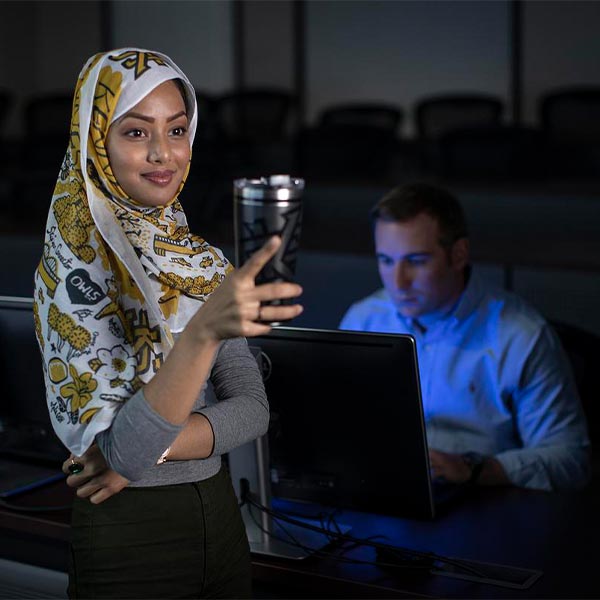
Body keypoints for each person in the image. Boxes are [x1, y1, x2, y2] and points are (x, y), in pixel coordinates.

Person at [33, 48, 302, 599]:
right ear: (95, 142)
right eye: (135, 133)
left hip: (220, 518)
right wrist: (202, 335)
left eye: (177, 130)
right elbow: (122, 453)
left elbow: (253, 409)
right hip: (129, 535)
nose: (164, 153)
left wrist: (139, 447)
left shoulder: (202, 263)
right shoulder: (72, 267)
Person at [339, 182, 590, 491]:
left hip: (483, 499)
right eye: (386, 261)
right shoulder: (364, 319)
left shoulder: (520, 335)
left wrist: (477, 470)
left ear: (458, 255)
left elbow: (571, 459)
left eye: (416, 261)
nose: (398, 282)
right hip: (381, 493)